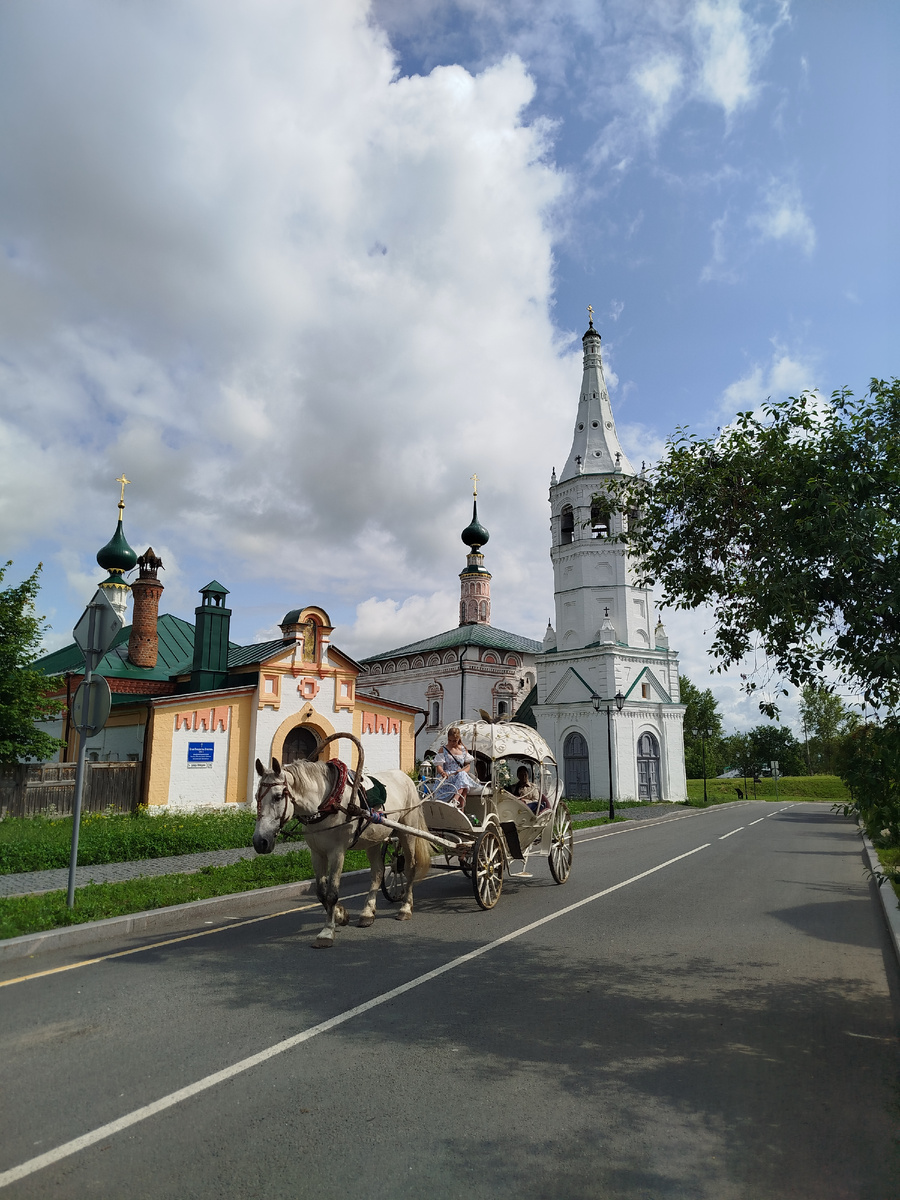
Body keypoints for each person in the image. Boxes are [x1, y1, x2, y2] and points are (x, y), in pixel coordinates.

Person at [433, 727, 477, 808]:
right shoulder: (443, 749)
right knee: (463, 785)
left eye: (454, 741)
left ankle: (455, 801)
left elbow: (467, 766)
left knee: (462, 777)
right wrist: (442, 773)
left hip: (460, 776)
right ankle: (455, 803)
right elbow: (438, 766)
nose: (452, 743)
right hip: (448, 777)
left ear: (458, 739)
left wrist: (462, 772)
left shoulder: (463, 750)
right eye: (450, 740)